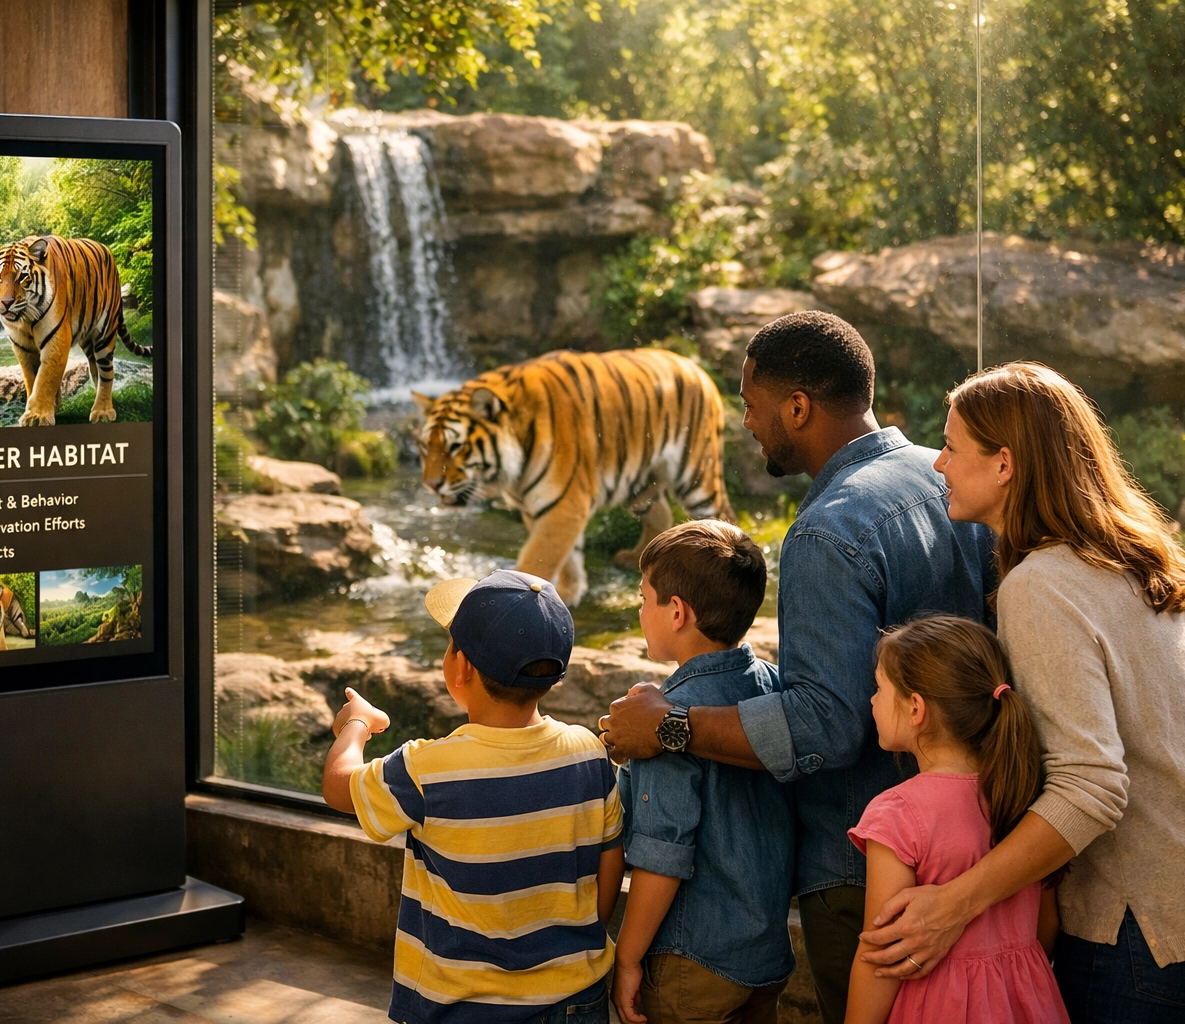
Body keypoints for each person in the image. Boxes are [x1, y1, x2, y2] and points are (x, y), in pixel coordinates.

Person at [857, 362, 1185, 1024]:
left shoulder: (1043, 586)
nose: (938, 463)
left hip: (1152, 923)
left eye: (952, 446)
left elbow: (1091, 788)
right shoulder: (1145, 550)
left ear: (1005, 464)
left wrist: (955, 903)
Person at [600, 311, 997, 1024]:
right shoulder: (940, 478)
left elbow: (827, 723)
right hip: (971, 831)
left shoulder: (827, 530)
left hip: (864, 865)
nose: (746, 423)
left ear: (798, 406)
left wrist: (670, 727)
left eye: (751, 405)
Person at [322, 568, 625, 1024]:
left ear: (459, 667)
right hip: (576, 999)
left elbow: (337, 784)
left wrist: (356, 724)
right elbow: (610, 858)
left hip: (459, 1007)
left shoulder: (428, 768)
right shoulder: (588, 752)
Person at [612, 520, 796, 1024]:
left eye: (644, 598)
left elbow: (662, 858)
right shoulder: (774, 688)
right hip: (765, 956)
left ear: (676, 612)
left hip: (691, 964)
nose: (639, 609)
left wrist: (627, 957)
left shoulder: (661, 721)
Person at [846, 614, 1067, 1024]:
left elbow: (880, 952)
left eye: (879, 689)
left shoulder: (896, 814)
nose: (872, 700)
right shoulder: (1024, 795)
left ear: (916, 708)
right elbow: (1046, 923)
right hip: (1029, 1003)